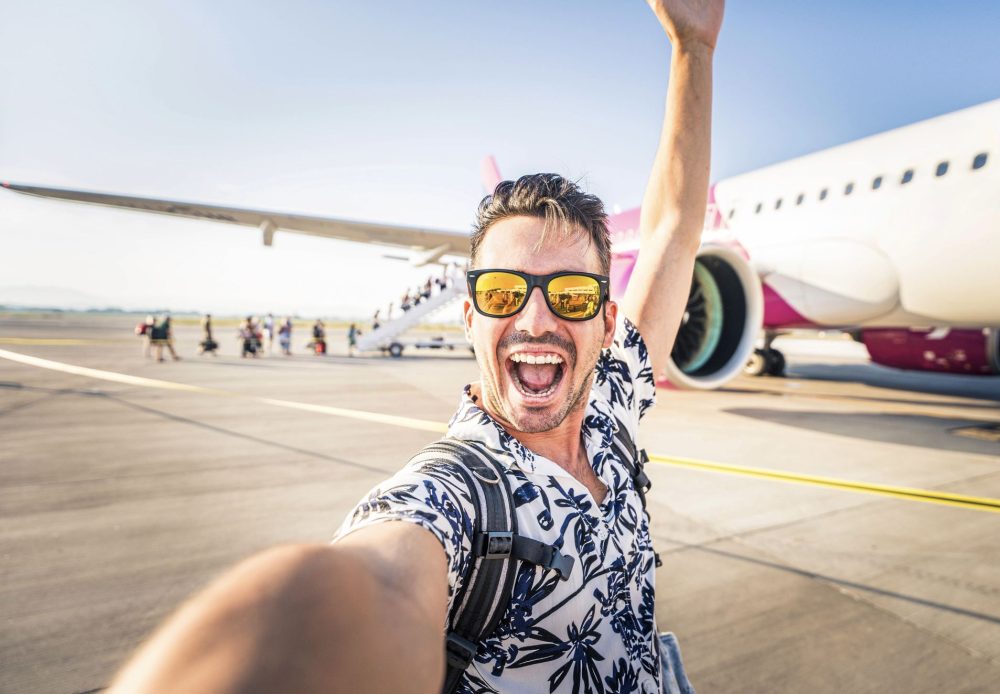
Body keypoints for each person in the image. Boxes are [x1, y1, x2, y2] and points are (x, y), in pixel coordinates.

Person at [107, 2, 721, 691]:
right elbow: (369, 591)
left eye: (570, 296)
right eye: (502, 292)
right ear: (468, 317)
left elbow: (674, 229)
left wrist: (693, 49)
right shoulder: (457, 498)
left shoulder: (613, 403)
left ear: (607, 324)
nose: (537, 319)